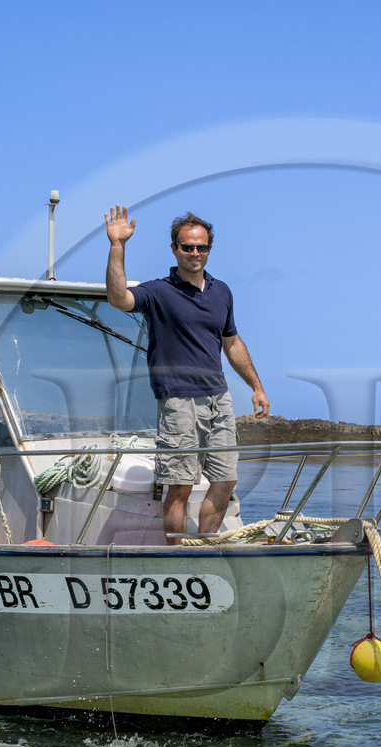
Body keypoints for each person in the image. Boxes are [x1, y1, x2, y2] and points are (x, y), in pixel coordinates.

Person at [104, 205, 269, 544]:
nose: (195, 253)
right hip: (178, 400)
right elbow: (119, 298)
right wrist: (117, 245)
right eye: (188, 247)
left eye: (201, 247)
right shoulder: (159, 291)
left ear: (209, 249)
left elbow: (231, 342)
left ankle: (206, 547)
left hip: (218, 398)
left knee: (225, 480)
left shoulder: (222, 291)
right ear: (174, 248)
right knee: (180, 486)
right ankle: (176, 554)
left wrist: (256, 387)